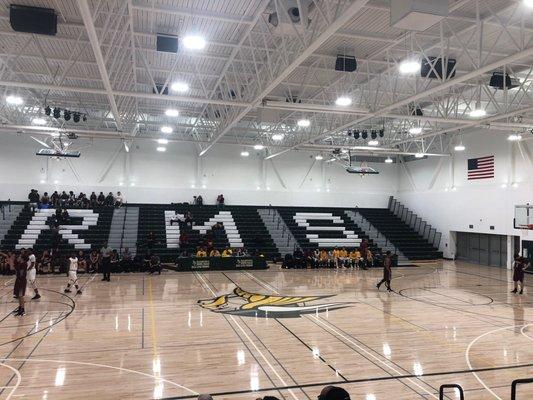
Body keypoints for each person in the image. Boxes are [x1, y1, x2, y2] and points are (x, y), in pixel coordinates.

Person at [13, 250, 28, 316]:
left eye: (19, 256)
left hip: (21, 281)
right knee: (18, 295)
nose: (18, 257)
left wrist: (19, 278)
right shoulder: (20, 263)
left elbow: (21, 273)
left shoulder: (24, 264)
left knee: (21, 295)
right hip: (18, 280)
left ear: (22, 258)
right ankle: (20, 307)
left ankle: (23, 310)